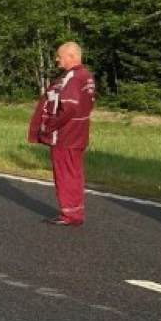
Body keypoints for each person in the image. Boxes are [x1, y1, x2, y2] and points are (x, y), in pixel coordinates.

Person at [28, 41, 96, 226]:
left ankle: (70, 214)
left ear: (71, 56)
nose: (57, 60)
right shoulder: (86, 76)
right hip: (79, 133)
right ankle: (75, 210)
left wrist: (49, 126)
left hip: (65, 135)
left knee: (65, 174)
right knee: (74, 173)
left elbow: (69, 106)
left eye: (60, 56)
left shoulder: (73, 77)